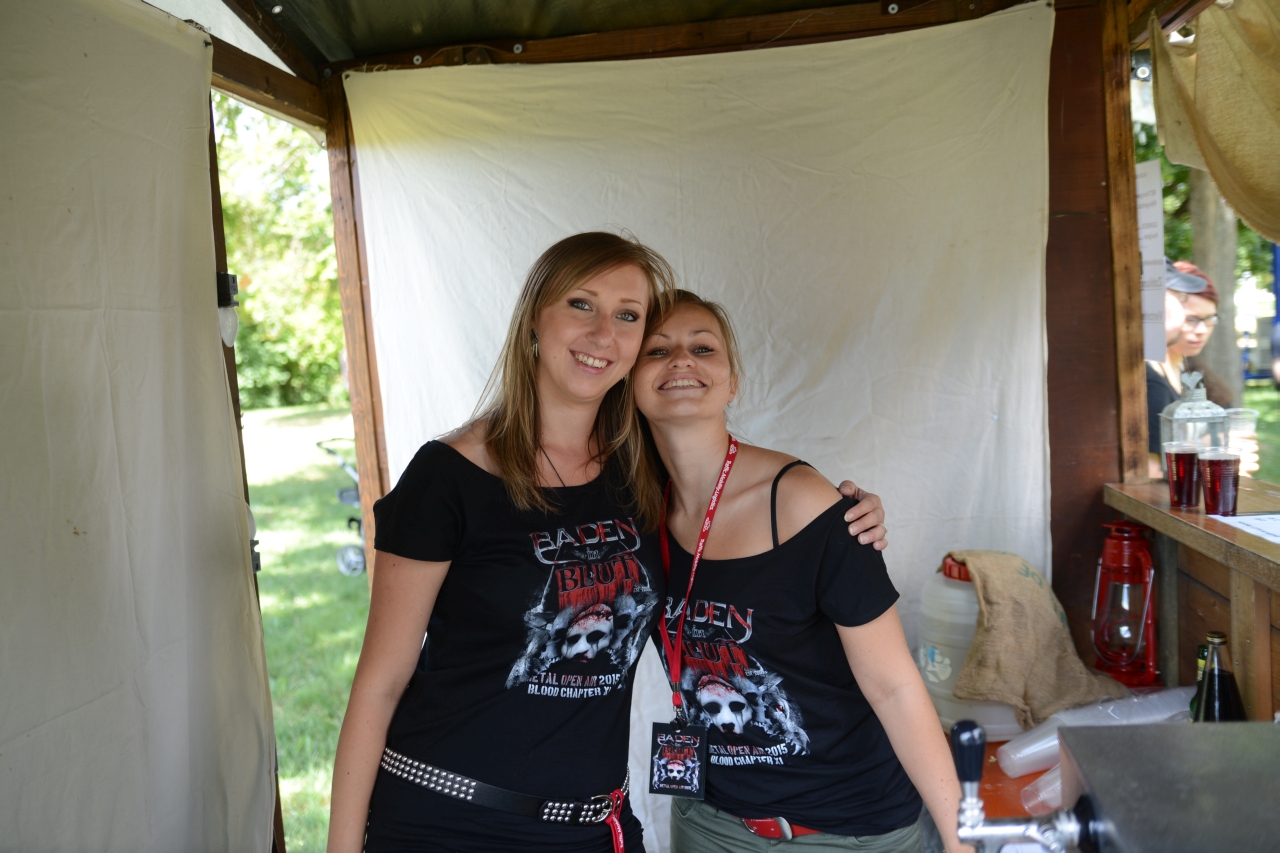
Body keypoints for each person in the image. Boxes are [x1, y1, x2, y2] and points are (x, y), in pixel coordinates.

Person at [326, 233, 889, 853]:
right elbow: (380, 684)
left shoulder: (642, 473)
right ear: (534, 318)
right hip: (449, 818)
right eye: (581, 304)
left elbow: (735, 504)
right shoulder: (449, 476)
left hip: (595, 826)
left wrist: (842, 514)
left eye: (627, 316)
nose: (603, 334)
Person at [633, 290, 968, 853]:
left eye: (703, 347)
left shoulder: (801, 504)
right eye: (657, 350)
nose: (682, 360)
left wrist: (961, 839)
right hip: (709, 823)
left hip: (847, 831)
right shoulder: (633, 512)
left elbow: (894, 687)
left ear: (733, 382)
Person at [1146, 260, 1256, 478]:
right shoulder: (1152, 381)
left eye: (1209, 319)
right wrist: (1217, 460)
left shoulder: (1190, 370)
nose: (1201, 330)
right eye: (1192, 319)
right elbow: (1150, 474)